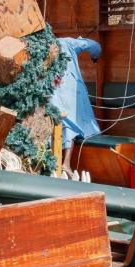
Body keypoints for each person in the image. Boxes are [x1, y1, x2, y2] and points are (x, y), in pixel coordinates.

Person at [50, 37, 102, 174]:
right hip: (71, 92)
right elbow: (94, 45)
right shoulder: (67, 42)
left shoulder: (37, 48)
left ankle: (54, 163)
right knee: (71, 125)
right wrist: (95, 57)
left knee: (60, 123)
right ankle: (66, 164)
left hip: (52, 91)